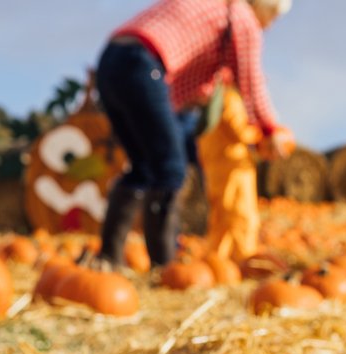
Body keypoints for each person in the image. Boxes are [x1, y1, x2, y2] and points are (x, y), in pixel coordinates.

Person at [96, 0, 294, 268]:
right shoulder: (242, 17)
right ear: (263, 7)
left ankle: (108, 258)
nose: (270, 26)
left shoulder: (215, 9)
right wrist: (270, 128)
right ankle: (164, 267)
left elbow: (183, 86)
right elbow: (251, 83)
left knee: (142, 167)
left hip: (112, 60)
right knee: (171, 169)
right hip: (143, 63)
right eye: (273, 17)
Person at [197, 79, 263, 262]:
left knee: (220, 218)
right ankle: (243, 260)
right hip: (232, 167)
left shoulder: (210, 103)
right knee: (241, 216)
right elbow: (239, 131)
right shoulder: (229, 98)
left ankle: (218, 261)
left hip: (215, 167)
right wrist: (263, 134)